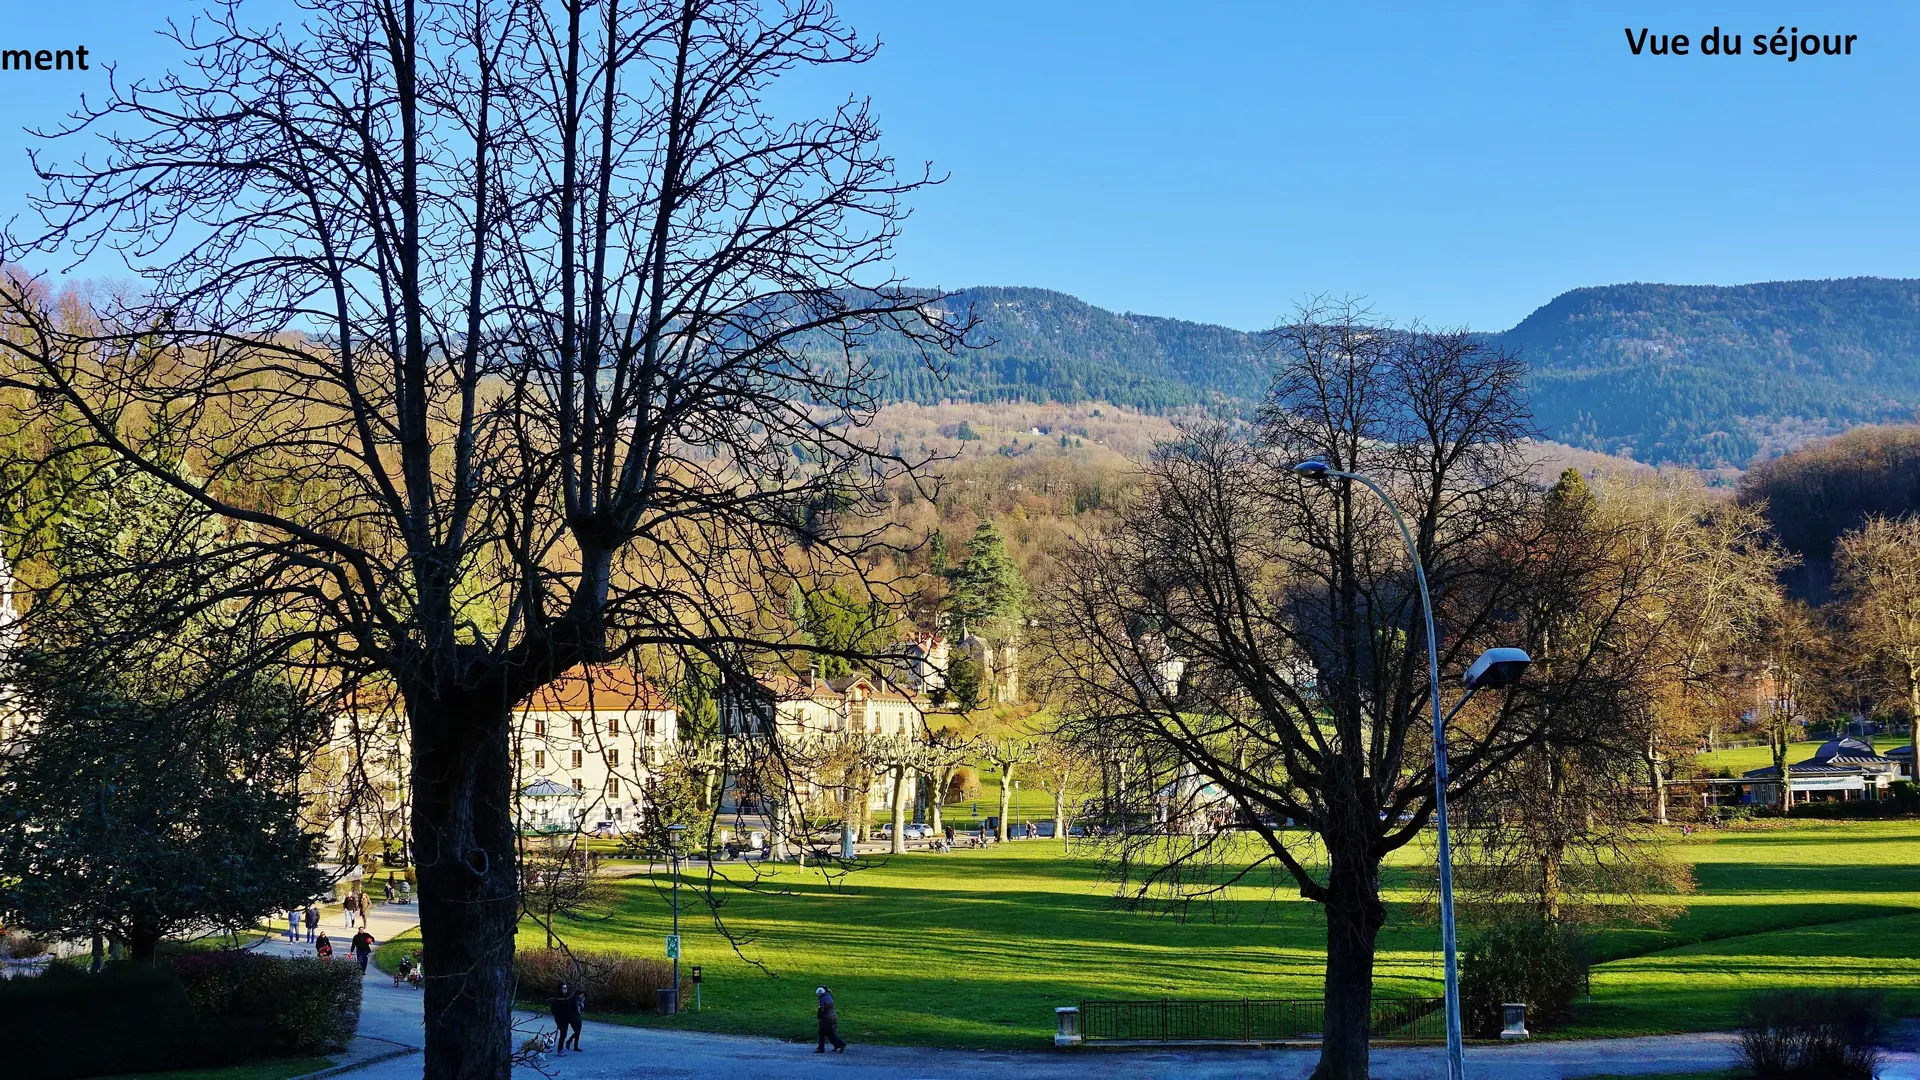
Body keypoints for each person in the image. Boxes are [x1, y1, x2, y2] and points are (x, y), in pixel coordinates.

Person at [814, 985, 846, 1053]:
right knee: (830, 1033)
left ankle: (821, 1049)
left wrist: (819, 1016)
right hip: (831, 1017)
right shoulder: (828, 996)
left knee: (821, 1033)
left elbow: (821, 1010)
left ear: (819, 993)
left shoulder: (822, 999)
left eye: (817, 994)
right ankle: (839, 1044)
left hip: (826, 1019)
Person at [550, 981, 578, 1055]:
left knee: (576, 1030)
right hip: (561, 1019)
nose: (566, 989)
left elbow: (572, 1006)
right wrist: (558, 1019)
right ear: (560, 989)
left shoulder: (568, 997)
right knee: (563, 1034)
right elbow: (554, 1010)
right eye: (564, 988)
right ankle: (560, 1049)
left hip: (569, 1017)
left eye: (566, 988)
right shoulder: (557, 999)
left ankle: (569, 1042)